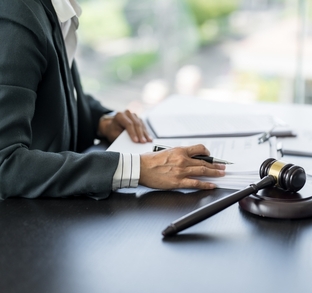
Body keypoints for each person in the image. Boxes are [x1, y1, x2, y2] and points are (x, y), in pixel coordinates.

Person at [0, 0, 225, 200]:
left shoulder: (50, 9)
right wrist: (138, 168)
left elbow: (45, 99)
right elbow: (4, 166)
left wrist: (100, 122)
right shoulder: (16, 16)